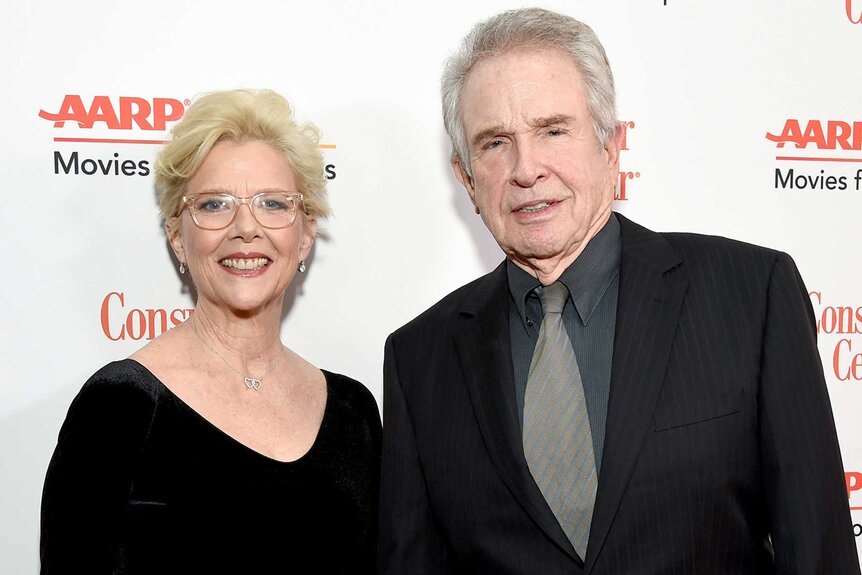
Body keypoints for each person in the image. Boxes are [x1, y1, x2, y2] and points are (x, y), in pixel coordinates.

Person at [378, 8, 859, 574]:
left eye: (553, 130)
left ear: (611, 146)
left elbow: (820, 552)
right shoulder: (419, 357)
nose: (526, 168)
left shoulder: (751, 296)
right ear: (466, 178)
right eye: (495, 143)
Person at [40, 89, 381, 574]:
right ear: (179, 236)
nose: (246, 227)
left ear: (305, 233)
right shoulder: (120, 406)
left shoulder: (354, 413)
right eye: (215, 204)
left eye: (272, 203)